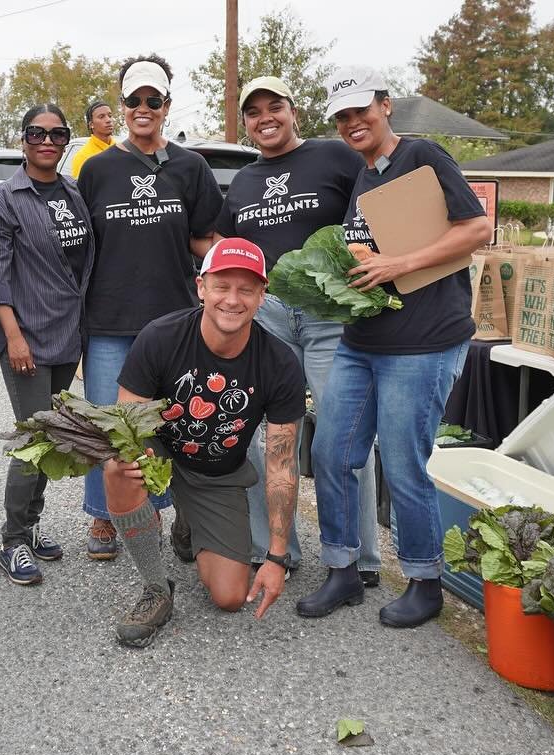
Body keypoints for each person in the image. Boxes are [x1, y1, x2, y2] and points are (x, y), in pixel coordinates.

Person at [297, 68, 492, 628]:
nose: (353, 123)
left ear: (386, 106)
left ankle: (425, 580)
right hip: (363, 342)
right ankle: (342, 569)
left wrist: (398, 264)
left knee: (405, 464)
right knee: (332, 453)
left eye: (362, 111)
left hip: (423, 343)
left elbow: (477, 229)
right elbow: (368, 252)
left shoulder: (423, 156)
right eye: (342, 117)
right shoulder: (365, 177)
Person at [218, 75, 382, 588]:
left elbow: (376, 209)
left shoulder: (335, 158)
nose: (265, 118)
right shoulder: (243, 181)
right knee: (259, 434)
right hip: (268, 317)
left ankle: (360, 557)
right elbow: (225, 244)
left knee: (343, 434)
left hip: (331, 316)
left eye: (275, 107)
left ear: (294, 112)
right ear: (245, 123)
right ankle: (272, 548)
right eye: (253, 112)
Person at [106, 238, 305, 647]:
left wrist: (277, 557)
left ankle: (189, 524)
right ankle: (156, 589)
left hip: (216, 473)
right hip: (159, 452)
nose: (233, 300)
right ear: (201, 287)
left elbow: (282, 466)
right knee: (117, 468)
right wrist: (133, 457)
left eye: (246, 289)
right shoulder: (160, 337)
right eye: (221, 286)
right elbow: (127, 423)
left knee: (230, 597)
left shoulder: (280, 363)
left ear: (262, 295)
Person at [77, 54, 224, 560]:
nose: (144, 108)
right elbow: (81, 245)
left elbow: (205, 239)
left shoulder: (190, 166)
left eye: (153, 100)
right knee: (110, 424)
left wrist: (234, 270)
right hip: (110, 320)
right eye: (134, 100)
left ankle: (171, 510)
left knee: (174, 424)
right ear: (121, 106)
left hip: (175, 321)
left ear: (166, 105)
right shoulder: (96, 169)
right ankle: (104, 514)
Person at [0, 104, 93, 585]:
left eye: (57, 133)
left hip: (68, 334)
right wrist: (13, 338)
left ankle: (31, 527)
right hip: (26, 337)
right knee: (34, 438)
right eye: (36, 133)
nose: (47, 140)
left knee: (54, 438)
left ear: (67, 140)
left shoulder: (73, 193)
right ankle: (12, 541)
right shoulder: (5, 200)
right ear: (23, 139)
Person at [69, 99, 114, 178]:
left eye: (109, 116)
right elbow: (80, 189)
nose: (108, 120)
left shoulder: (122, 149)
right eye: (101, 117)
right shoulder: (83, 157)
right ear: (91, 124)